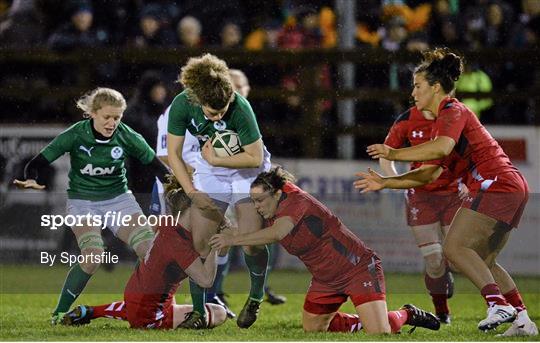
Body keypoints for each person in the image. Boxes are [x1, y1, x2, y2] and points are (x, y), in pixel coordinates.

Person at [355, 47, 538, 337]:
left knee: (453, 249)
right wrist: (387, 182)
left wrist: (393, 152)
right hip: (509, 186)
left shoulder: (453, 111)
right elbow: (429, 172)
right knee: (485, 260)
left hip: (496, 184)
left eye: (417, 86)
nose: (413, 92)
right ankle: (523, 320)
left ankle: (496, 304)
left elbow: (440, 148)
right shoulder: (444, 122)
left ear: (435, 87)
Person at [209, 167, 441, 334]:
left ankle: (406, 314)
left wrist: (233, 240)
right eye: (253, 200)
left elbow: (277, 234)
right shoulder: (271, 207)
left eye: (259, 200)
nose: (256, 206)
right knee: (314, 328)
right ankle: (365, 319)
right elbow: (256, 240)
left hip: (357, 268)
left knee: (379, 333)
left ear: (278, 193)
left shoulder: (296, 201)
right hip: (325, 279)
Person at [13, 87, 168, 324]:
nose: (112, 123)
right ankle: (59, 312)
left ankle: (142, 307)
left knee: (150, 251)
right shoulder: (76, 134)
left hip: (119, 200)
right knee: (93, 255)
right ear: (92, 113)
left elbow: (156, 165)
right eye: (107, 117)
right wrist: (32, 177)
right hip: (83, 201)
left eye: (117, 118)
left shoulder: (127, 135)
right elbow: (39, 161)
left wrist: (178, 185)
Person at [166, 54, 271, 329]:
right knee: (200, 241)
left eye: (223, 110)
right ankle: (199, 312)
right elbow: (174, 155)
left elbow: (255, 158)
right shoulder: (182, 105)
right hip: (211, 169)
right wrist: (190, 191)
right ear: (198, 100)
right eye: (213, 113)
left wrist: (216, 159)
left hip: (245, 169)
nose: (219, 115)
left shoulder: (240, 106)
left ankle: (256, 297)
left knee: (251, 240)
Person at [60, 175, 228, 330]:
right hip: (149, 313)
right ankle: (150, 315)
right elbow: (205, 280)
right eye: (206, 211)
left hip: (136, 295)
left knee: (148, 301)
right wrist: (215, 243)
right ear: (192, 210)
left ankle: (91, 311)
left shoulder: (167, 224)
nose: (209, 219)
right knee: (219, 313)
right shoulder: (179, 243)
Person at [380, 106, 467, 324]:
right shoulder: (407, 119)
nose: (416, 93)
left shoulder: (455, 116)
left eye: (420, 86)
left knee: (458, 259)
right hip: (420, 195)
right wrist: (397, 181)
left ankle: (450, 272)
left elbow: (473, 152)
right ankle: (442, 311)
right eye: (415, 87)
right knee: (433, 259)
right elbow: (386, 154)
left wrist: (468, 181)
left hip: (453, 192)